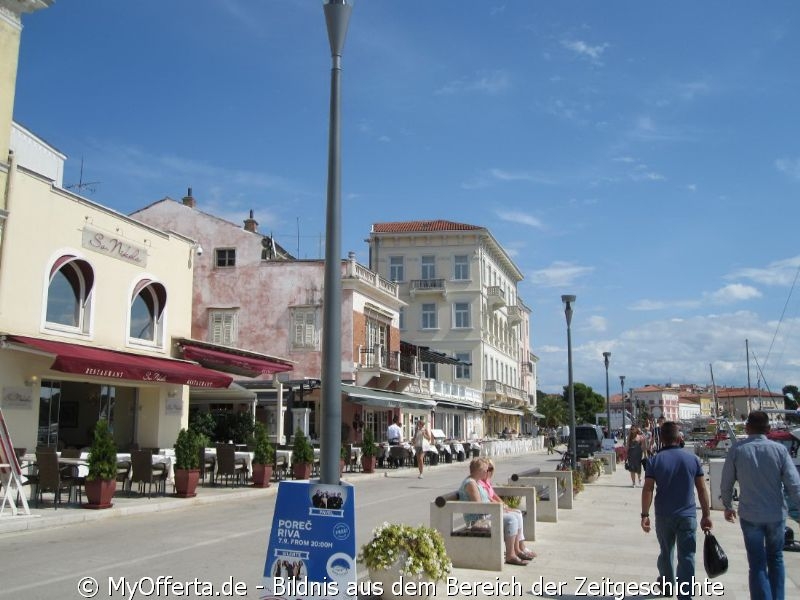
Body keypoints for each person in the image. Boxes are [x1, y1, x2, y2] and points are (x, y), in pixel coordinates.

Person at [720, 411, 800, 600]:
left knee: (756, 563)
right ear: (769, 429)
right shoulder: (779, 450)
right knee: (776, 559)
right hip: (776, 513)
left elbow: (726, 482)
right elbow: (794, 484)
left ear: (747, 428)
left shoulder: (737, 450)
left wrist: (727, 505)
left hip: (750, 514)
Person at [641, 421, 712, 600]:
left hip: (664, 514)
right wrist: (706, 515)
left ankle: (666, 586)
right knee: (687, 556)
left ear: (662, 439)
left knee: (666, 552)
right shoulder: (693, 459)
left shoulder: (654, 460)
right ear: (679, 438)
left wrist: (645, 514)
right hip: (687, 515)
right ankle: (685, 596)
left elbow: (648, 489)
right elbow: (702, 489)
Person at [458, 458, 529, 566]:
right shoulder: (470, 484)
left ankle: (516, 551)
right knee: (511, 519)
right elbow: (479, 506)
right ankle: (511, 555)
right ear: (480, 471)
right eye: (486, 470)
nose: (487, 472)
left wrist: (500, 506)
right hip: (477, 520)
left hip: (487, 514)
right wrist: (498, 507)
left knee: (515, 515)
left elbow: (488, 499)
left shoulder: (476, 482)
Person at [480, 459, 536, 560]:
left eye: (492, 468)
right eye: (488, 469)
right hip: (491, 512)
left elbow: (494, 496)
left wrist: (504, 504)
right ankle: (516, 550)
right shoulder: (481, 482)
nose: (490, 471)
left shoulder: (487, 482)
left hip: (494, 509)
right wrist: (502, 506)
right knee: (513, 517)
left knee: (517, 513)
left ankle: (520, 547)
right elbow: (489, 499)